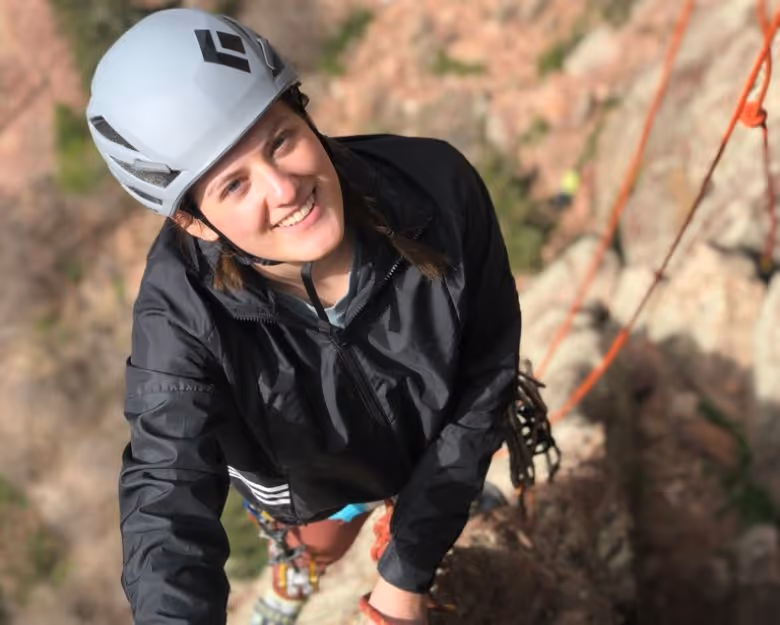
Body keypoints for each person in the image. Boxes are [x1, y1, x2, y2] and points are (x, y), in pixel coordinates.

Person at [87, 8, 541, 625]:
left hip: (437, 434)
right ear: (193, 221)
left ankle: (415, 502)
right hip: (318, 488)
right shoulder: (180, 317)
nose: (284, 188)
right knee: (322, 544)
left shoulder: (435, 189)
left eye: (281, 140)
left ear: (303, 110)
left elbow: (486, 372)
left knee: (439, 486)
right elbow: (166, 492)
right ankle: (296, 569)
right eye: (234, 186)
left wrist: (407, 568)